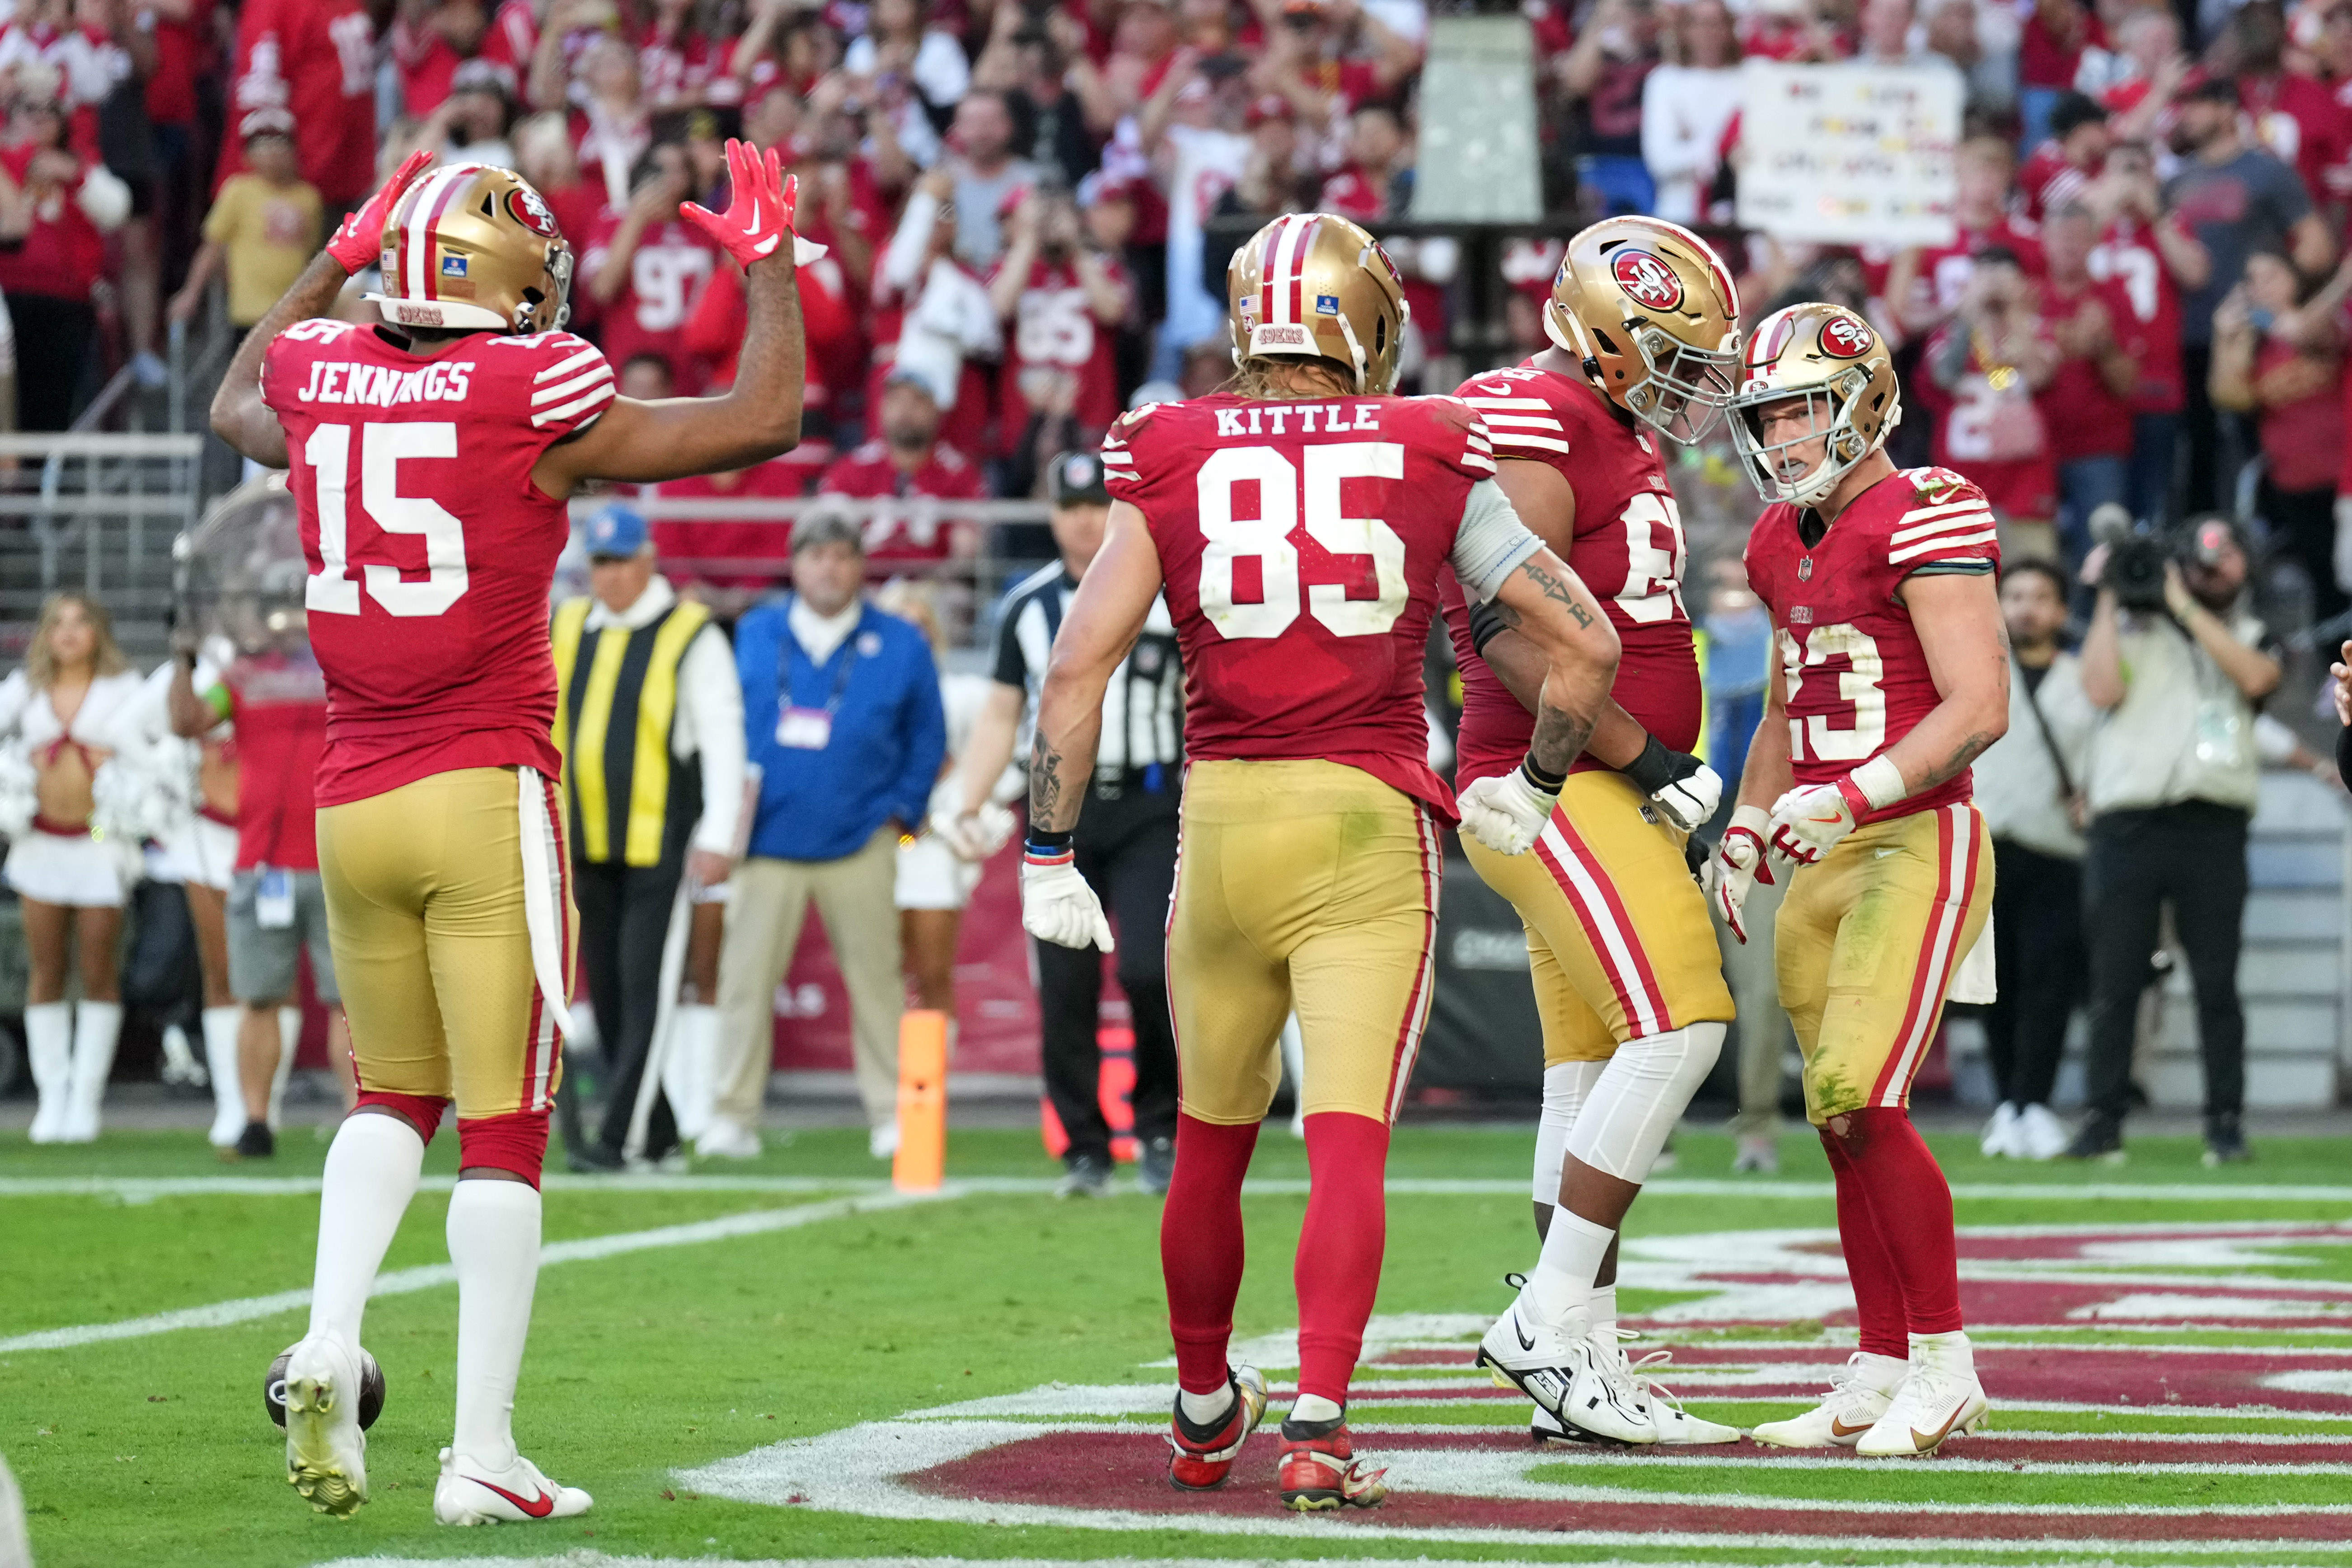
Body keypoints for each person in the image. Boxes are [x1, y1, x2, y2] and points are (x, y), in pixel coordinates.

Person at [207, 140, 809, 1523]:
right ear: (513, 283)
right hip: (484, 790)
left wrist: (342, 253)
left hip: (351, 797)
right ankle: (480, 1445)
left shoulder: (319, 369)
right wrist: (769, 267)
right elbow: (759, 419)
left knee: (388, 1094)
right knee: (506, 1131)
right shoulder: (525, 389)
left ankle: (327, 1332)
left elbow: (238, 396)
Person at [1024, 211, 1620, 1511]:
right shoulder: (1426, 442)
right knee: (1343, 1140)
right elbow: (1583, 650)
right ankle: (1317, 1422)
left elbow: (1074, 667)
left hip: (1221, 821)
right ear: (1366, 323)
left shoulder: (1168, 446)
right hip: (1360, 818)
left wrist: (1043, 849)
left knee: (1205, 1138)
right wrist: (1530, 783)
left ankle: (1196, 1414)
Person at [1443, 216, 1741, 1449]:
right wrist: (1652, 757)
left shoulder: (1603, 423)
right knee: (1681, 1023)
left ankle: (1584, 1363)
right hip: (1547, 782)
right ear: (1594, 333)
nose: (1686, 386)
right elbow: (1503, 631)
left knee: (1581, 1077)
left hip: (1595, 785)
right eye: (1665, 357)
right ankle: (1550, 1313)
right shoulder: (1532, 414)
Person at [1711, 300, 2010, 1456]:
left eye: (1800, 410)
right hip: (1816, 847)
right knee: (1837, 1122)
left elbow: (1977, 705)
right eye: (1767, 417)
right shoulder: (1772, 538)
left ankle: (1942, 1358)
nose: (1782, 438)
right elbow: (1789, 702)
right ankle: (1878, 1357)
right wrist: (1745, 818)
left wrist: (1847, 794)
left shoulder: (1926, 510)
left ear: (1864, 398)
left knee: (1855, 1092)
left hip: (1913, 837)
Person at [942, 451, 1185, 1198]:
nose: (1083, 522)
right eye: (1070, 506)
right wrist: (963, 800)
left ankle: (1159, 1127)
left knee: (1151, 970)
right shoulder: (1027, 605)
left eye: (1096, 505)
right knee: (1064, 983)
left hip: (1152, 804)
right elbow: (999, 717)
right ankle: (1083, 1145)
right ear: (1051, 515)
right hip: (1059, 814)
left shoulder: (1168, 593)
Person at [707, 510, 946, 1161]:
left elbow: (928, 733)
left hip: (862, 837)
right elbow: (722, 726)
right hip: (765, 839)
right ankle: (732, 1111)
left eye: (841, 555)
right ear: (795, 562)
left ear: (860, 564)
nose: (829, 567)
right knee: (744, 981)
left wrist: (902, 814)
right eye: (816, 555)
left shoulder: (899, 640)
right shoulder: (755, 630)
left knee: (876, 982)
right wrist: (722, 816)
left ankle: (891, 1110)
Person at [2070, 516, 2282, 1163]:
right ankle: (2101, 1118)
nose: (2209, 571)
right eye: (2196, 562)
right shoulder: (2130, 627)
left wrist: (2184, 605)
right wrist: (2109, 590)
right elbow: (2099, 688)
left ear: (2247, 565)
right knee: (2114, 979)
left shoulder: (2252, 632)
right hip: (2126, 823)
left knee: (2216, 982)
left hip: (2211, 826)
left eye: (2224, 561)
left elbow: (2255, 680)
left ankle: (2224, 1121)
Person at [549, 504, 745, 1171]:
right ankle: (658, 1131)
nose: (609, 575)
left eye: (620, 560)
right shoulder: (568, 624)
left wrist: (719, 832)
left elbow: (723, 739)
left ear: (648, 558)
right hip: (585, 840)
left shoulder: (691, 634)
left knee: (645, 993)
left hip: (660, 844)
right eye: (599, 562)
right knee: (605, 997)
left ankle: (620, 1138)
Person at [171, 610, 351, 1161]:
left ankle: (360, 1120)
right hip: (265, 861)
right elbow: (189, 721)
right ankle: (256, 1119)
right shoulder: (245, 679)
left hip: (338, 858)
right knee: (258, 997)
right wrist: (183, 661)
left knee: (352, 1003)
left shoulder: (346, 671)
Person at [0, 591, 150, 1142]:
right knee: (45, 969)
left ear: (98, 632)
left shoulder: (124, 690)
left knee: (98, 968)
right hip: (41, 842)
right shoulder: (26, 690)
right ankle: (52, 1098)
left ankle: (86, 1100)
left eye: (81, 621)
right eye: (57, 623)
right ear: (44, 634)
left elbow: (152, 746)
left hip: (99, 838)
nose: (68, 632)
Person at [2162, 72, 2333, 514]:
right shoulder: (2176, 179)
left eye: (2195, 104)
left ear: (2224, 108)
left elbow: (2316, 245)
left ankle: (2276, 534)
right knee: (2197, 448)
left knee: (2260, 444)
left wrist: (2277, 291)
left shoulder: (2266, 171)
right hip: (2191, 333)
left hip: (2255, 334)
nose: (2185, 114)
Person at [1973, 559, 2095, 1160]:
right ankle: (2006, 1105)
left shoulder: (2085, 678)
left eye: (2040, 596)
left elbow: (2110, 749)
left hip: (2056, 849)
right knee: (1995, 988)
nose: (2025, 607)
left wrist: (2093, 796)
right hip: (1987, 845)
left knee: (2049, 983)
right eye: (2014, 594)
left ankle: (2034, 1102)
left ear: (2061, 611)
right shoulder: (1974, 672)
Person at [144, 636, 244, 1150]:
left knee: (276, 981)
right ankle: (232, 1105)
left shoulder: (274, 668)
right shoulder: (189, 674)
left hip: (271, 832)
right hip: (206, 833)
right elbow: (136, 730)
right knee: (219, 968)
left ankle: (261, 1106)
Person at [2209, 251, 2347, 623]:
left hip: (2344, 475)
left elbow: (2303, 330)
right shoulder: (2253, 341)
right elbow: (2230, 396)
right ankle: (2338, 670)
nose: (2262, 286)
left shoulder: (2323, 322)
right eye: (2253, 279)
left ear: (2295, 278)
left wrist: (2341, 282)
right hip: (2296, 480)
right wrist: (2225, 339)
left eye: (2272, 275)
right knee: (2325, 580)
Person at [168, 109, 323, 343]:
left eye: (280, 141)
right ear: (247, 154)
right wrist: (191, 294)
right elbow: (212, 247)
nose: (272, 151)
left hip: (296, 314)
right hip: (249, 313)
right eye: (262, 143)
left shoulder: (309, 197)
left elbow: (312, 253)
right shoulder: (238, 191)